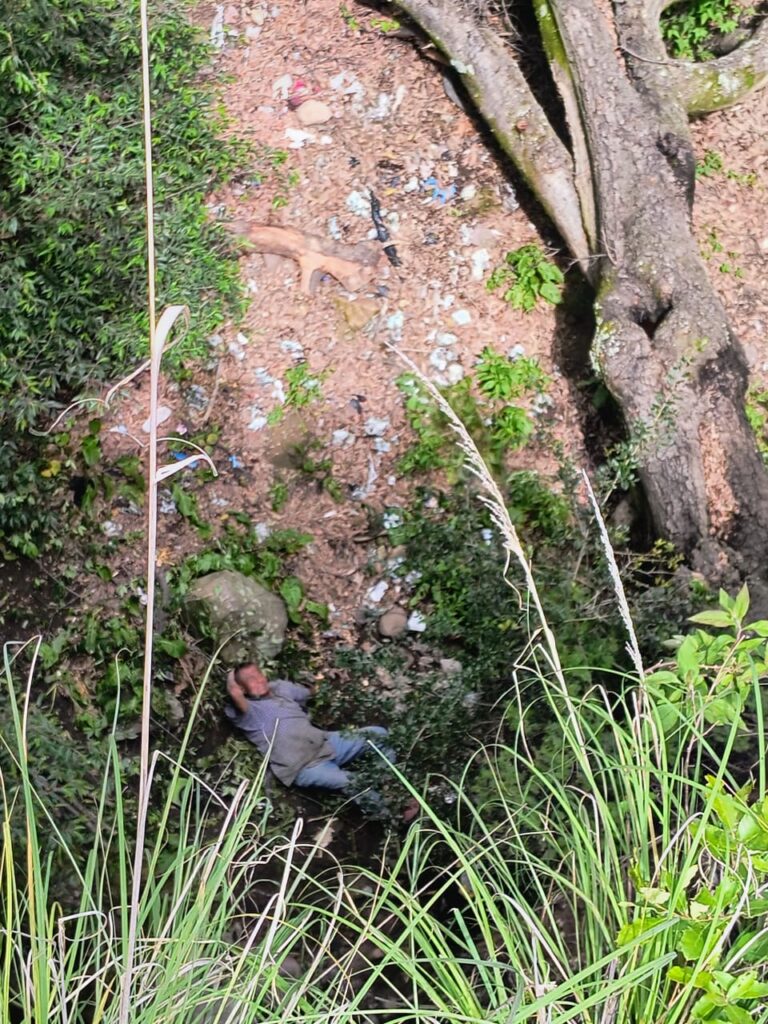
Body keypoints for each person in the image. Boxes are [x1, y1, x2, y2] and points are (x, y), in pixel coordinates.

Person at [225, 662, 394, 804]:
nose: (258, 681)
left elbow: (311, 693)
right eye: (250, 680)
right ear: (242, 688)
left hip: (325, 744)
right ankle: (394, 812)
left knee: (378, 734)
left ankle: (387, 783)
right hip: (304, 767)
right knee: (354, 782)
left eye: (258, 674)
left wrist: (324, 682)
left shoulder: (280, 688)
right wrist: (230, 672)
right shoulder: (248, 713)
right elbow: (234, 693)